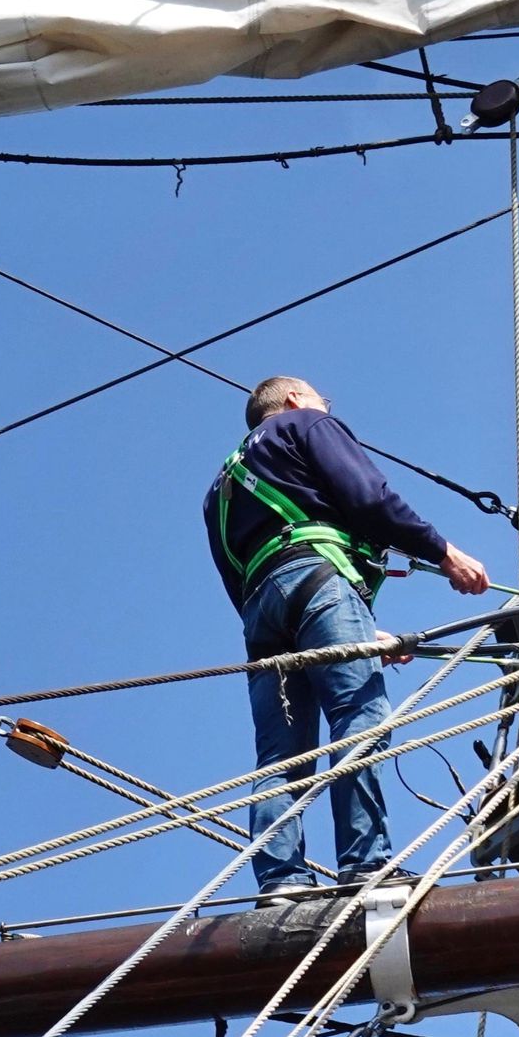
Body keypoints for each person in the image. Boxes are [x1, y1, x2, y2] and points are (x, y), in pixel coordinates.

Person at [204, 376, 490, 901]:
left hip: (262, 616)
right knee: (358, 717)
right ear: (292, 399)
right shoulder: (305, 424)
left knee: (281, 757)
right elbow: (369, 498)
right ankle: (366, 864)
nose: (325, 405)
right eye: (320, 398)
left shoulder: (218, 489)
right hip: (320, 582)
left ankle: (281, 881)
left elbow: (236, 580)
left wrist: (359, 627)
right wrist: (444, 552)